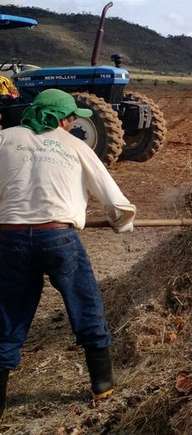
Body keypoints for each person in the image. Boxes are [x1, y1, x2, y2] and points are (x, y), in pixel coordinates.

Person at [0, 89, 136, 417]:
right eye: (72, 117)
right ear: (62, 118)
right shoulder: (75, 146)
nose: (73, 123)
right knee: (86, 304)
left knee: (7, 318)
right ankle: (103, 387)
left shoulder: (4, 139)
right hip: (58, 237)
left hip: (9, 240)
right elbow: (115, 201)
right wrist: (122, 223)